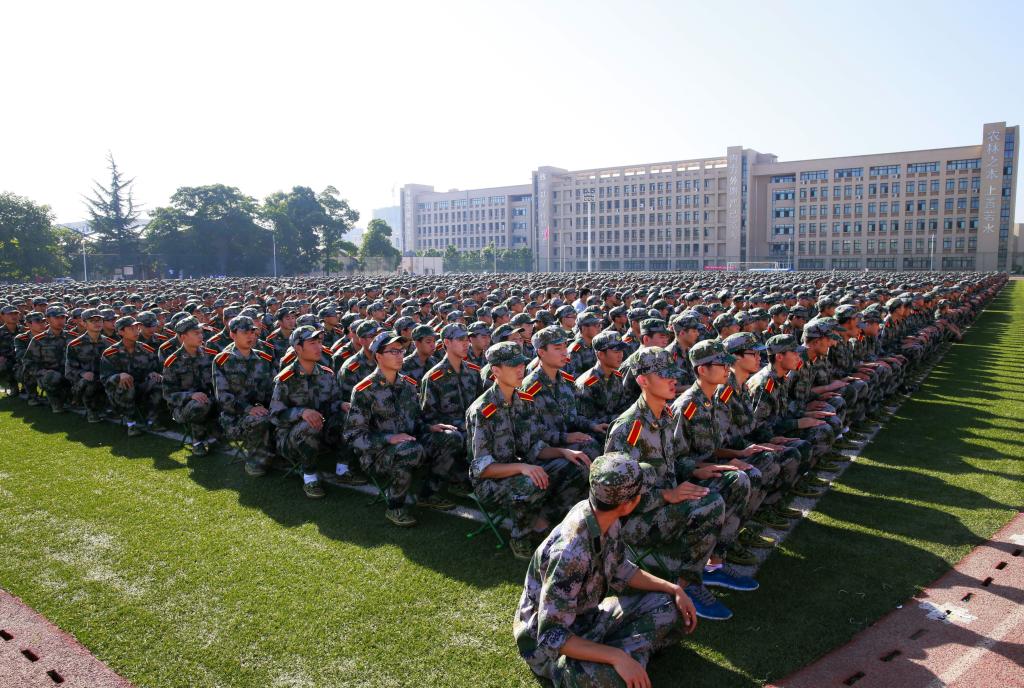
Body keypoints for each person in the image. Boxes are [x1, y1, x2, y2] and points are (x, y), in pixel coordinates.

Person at [513, 452, 694, 688]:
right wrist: (617, 657)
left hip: (589, 618)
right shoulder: (570, 553)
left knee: (672, 606)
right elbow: (552, 636)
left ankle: (621, 658)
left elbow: (621, 568)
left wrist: (673, 589)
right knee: (613, 680)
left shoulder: (603, 515)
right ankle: (621, 658)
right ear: (629, 504)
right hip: (550, 648)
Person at [466, 342, 591, 559]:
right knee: (529, 482)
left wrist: (564, 452)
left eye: (521, 364)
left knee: (578, 467)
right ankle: (520, 537)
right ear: (496, 371)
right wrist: (522, 467)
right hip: (491, 482)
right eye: (513, 366)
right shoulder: (483, 410)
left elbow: (534, 447)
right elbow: (482, 469)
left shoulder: (523, 401)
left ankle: (545, 520)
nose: (520, 370)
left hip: (523, 468)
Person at [343, 330, 461, 527]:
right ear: (379, 356)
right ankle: (395, 506)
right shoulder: (365, 390)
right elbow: (353, 435)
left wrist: (429, 427)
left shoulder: (407, 385)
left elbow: (415, 421)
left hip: (410, 444)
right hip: (377, 454)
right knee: (409, 449)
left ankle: (428, 494)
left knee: (452, 437)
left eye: (401, 351)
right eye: (393, 351)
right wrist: (388, 438)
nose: (400, 356)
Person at [270, 325, 349, 497]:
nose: (319, 347)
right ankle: (309, 476)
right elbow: (276, 415)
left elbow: (332, 403)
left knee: (349, 416)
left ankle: (343, 469)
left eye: (319, 342)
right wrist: (301, 412)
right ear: (298, 348)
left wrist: (342, 405)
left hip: (321, 431)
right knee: (309, 423)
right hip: (290, 439)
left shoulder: (327, 374)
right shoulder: (285, 378)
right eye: (312, 343)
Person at [520, 326, 604, 459]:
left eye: (565, 347)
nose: (565, 353)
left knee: (604, 436)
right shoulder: (530, 388)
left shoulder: (566, 380)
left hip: (567, 440)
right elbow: (532, 432)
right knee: (588, 451)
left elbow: (574, 416)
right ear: (541, 352)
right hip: (545, 450)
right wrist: (566, 437)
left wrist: (593, 426)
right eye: (558, 348)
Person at [419, 323, 482, 496]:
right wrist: (461, 426)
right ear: (446, 342)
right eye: (460, 339)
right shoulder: (433, 377)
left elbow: (479, 405)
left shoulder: (473, 372)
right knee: (455, 437)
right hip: (444, 432)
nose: (466, 343)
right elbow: (428, 417)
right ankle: (430, 492)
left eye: (467, 339)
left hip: (469, 428)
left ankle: (469, 478)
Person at [212, 315, 277, 476]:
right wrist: (249, 409)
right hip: (234, 417)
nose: (250, 336)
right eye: (245, 332)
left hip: (262, 410)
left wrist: (270, 407)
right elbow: (223, 398)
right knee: (259, 419)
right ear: (232, 334)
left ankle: (278, 452)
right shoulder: (222, 361)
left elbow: (273, 389)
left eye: (252, 332)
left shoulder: (264, 358)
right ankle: (255, 461)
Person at [161, 316, 219, 456]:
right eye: (196, 333)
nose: (201, 336)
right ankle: (198, 442)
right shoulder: (173, 361)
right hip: (183, 407)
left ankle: (216, 434)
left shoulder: (210, 355)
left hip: (209, 400)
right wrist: (191, 395)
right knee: (199, 404)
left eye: (201, 332)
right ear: (183, 337)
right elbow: (168, 394)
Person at [100, 316, 163, 436]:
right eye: (131, 328)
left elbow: (154, 369)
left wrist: (153, 373)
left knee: (158, 382)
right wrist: (119, 376)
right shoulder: (110, 353)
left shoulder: (146, 349)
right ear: (121, 332)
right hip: (118, 393)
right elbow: (104, 379)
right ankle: (131, 424)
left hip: (141, 387)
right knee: (127, 383)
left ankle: (152, 420)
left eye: (137, 327)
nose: (136, 331)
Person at [65, 308, 116, 423]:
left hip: (105, 380)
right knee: (88, 382)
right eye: (92, 321)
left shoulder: (110, 343)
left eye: (99, 320)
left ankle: (114, 408)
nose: (97, 323)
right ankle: (91, 411)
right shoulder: (75, 345)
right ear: (84, 323)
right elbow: (69, 370)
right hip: (85, 383)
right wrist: (82, 373)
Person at [575, 330, 630, 426]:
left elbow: (622, 407)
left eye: (621, 351)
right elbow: (585, 420)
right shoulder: (587, 383)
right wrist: (617, 418)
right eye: (616, 351)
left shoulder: (617, 376)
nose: (621, 355)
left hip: (615, 426)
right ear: (600, 354)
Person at [24, 305, 72, 413]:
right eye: (56, 317)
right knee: (52, 377)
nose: (60, 320)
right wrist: (43, 372)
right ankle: (56, 403)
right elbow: (28, 362)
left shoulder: (72, 337)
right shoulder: (38, 340)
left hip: (69, 373)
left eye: (63, 317)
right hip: (50, 375)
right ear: (48, 319)